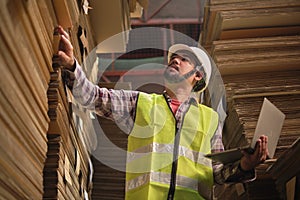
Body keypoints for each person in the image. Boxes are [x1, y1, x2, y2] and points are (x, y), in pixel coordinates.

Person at [55, 26, 269, 200]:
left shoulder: (210, 119)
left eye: (184, 59)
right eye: (173, 58)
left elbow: (217, 173)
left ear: (198, 76)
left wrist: (245, 166)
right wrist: (72, 65)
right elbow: (94, 97)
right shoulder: (141, 103)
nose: (175, 60)